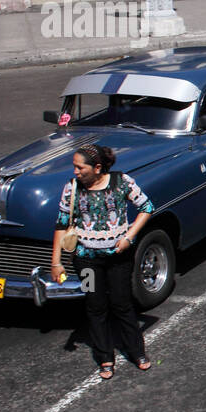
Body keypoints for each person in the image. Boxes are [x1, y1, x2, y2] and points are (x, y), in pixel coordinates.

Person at [50, 144, 154, 380]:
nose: (75, 171)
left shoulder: (122, 182)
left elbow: (146, 207)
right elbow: (61, 223)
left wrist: (129, 236)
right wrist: (56, 262)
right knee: (95, 306)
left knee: (122, 303)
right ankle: (105, 357)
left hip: (118, 259)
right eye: (74, 167)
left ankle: (137, 352)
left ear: (97, 168)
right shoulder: (72, 188)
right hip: (85, 261)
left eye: (80, 167)